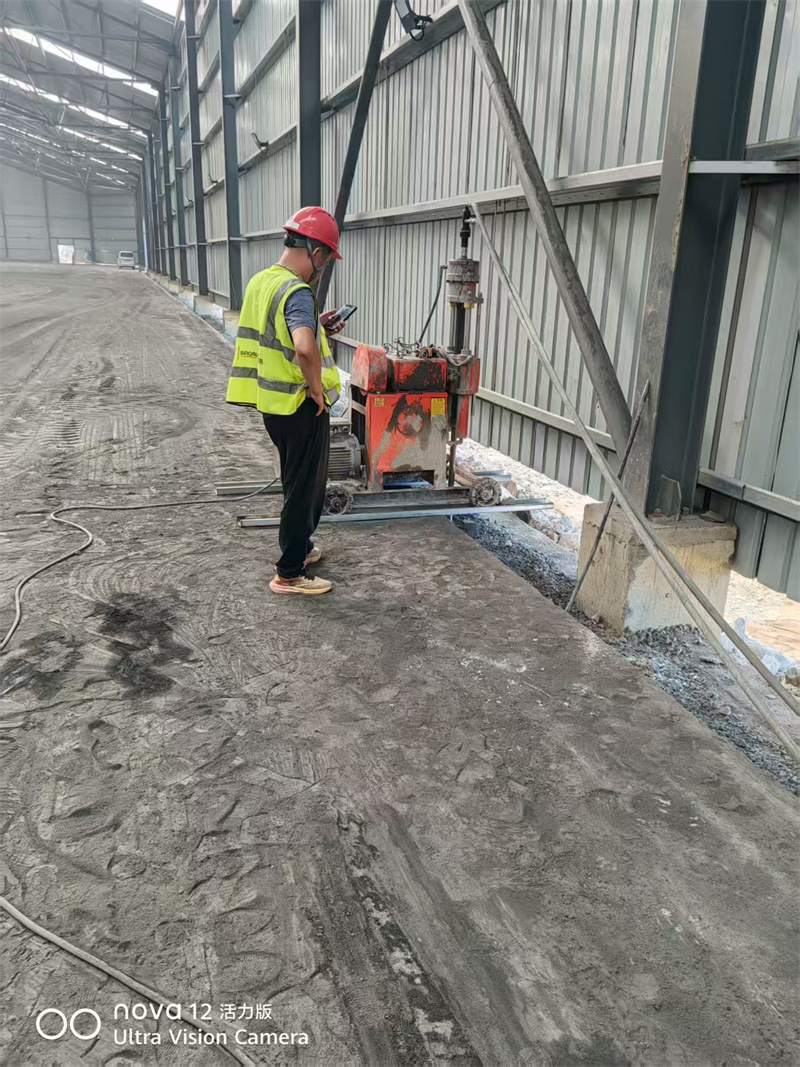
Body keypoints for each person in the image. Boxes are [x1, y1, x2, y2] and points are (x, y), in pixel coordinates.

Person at [226, 206, 345, 596]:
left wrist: (319, 325)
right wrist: (316, 389)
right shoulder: (297, 291)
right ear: (314, 251)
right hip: (299, 403)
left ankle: (302, 549)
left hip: (273, 405)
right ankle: (290, 572)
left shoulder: (263, 282)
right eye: (325, 259)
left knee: (296, 481)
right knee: (304, 490)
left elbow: (277, 334)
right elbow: (304, 349)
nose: (322, 268)